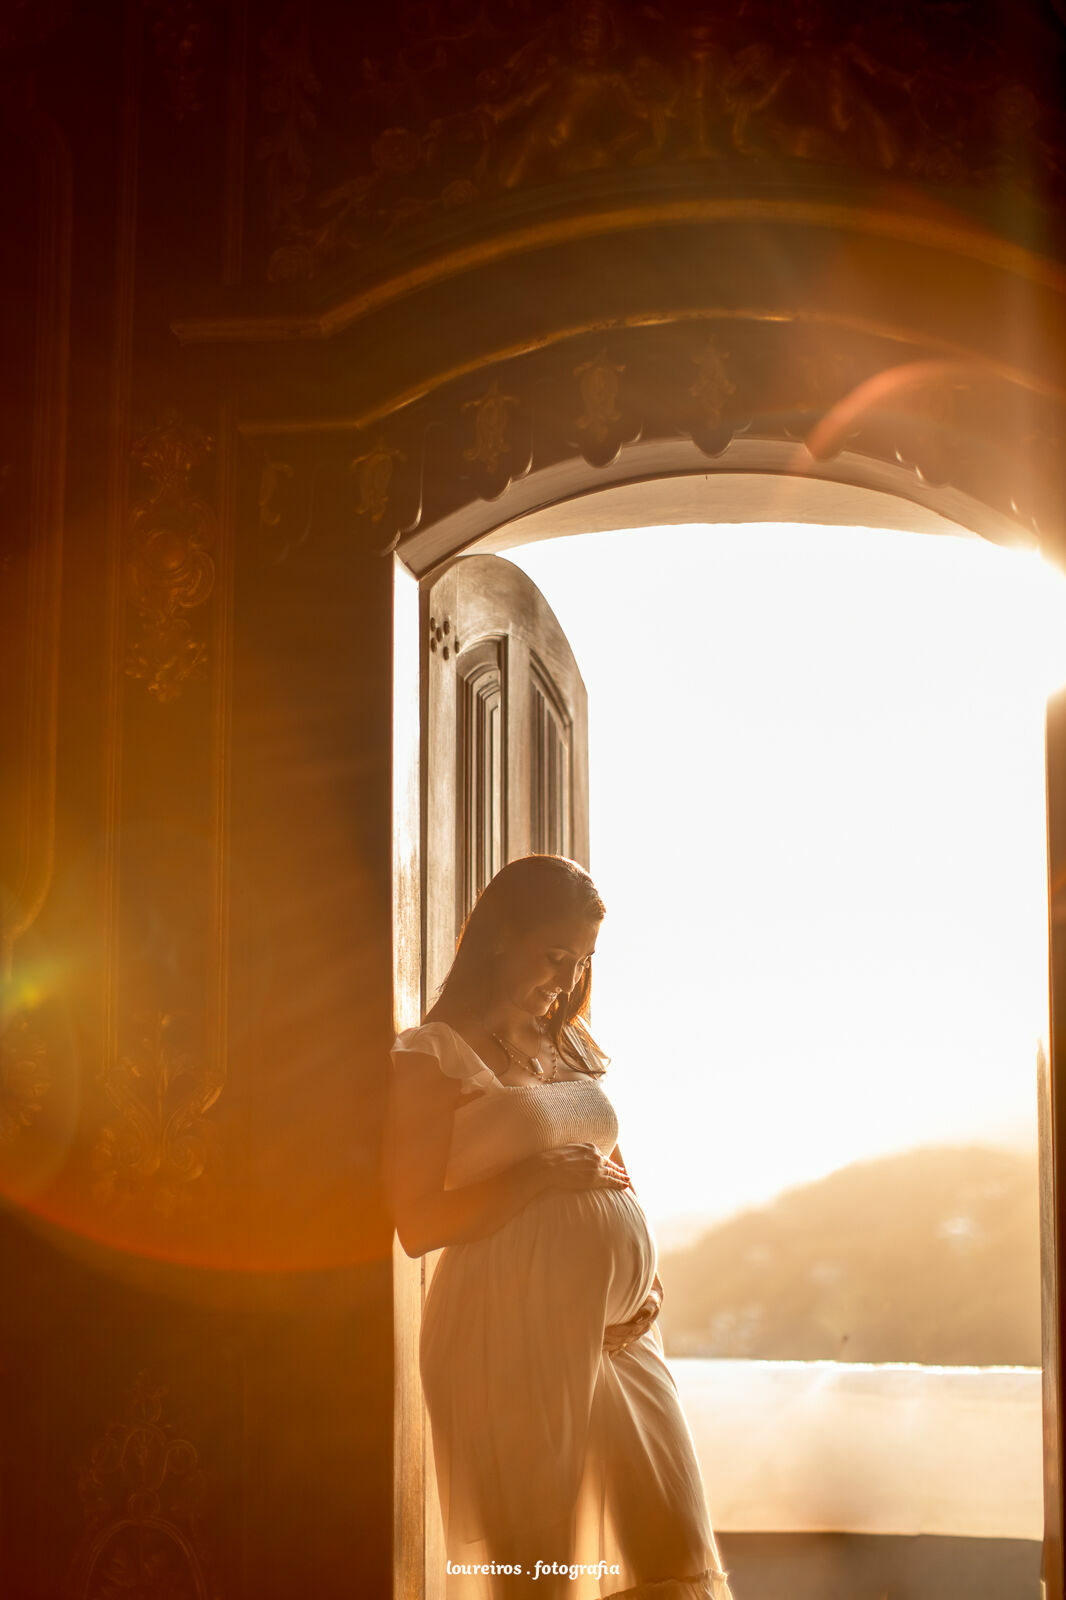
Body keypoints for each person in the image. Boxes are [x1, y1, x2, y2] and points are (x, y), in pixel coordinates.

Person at [385, 854, 734, 1600]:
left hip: (621, 1338)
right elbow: (416, 1224)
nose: (570, 978)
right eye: (556, 956)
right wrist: (533, 1176)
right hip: (504, 1333)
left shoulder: (571, 1044)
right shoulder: (432, 1054)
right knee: (542, 1572)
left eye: (583, 961)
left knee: (672, 1553)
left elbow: (614, 1166)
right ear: (502, 936)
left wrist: (647, 1285)